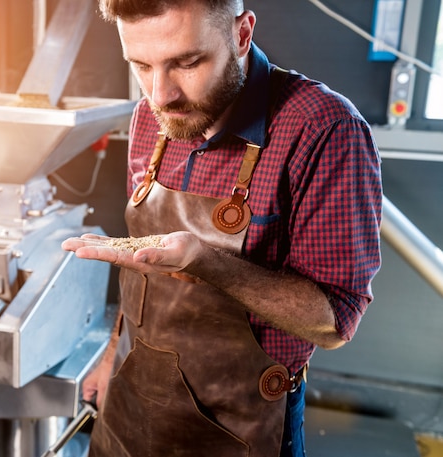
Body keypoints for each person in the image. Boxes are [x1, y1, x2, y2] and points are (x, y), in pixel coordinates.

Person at [62, 0, 382, 455]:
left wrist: (206, 263)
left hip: (241, 423)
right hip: (133, 396)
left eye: (187, 63)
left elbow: (335, 321)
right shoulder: (150, 115)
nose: (161, 93)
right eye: (141, 65)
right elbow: (139, 268)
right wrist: (111, 359)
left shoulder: (323, 129)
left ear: (242, 34)